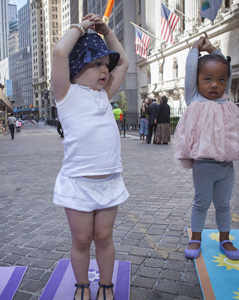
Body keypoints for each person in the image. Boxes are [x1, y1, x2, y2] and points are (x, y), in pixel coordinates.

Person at [52, 13, 129, 300]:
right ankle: (83, 285)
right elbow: (60, 52)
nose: (104, 70)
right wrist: (81, 27)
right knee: (82, 240)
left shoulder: (104, 95)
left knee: (104, 238)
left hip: (108, 182)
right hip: (78, 185)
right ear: (75, 69)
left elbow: (123, 61)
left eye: (104, 65)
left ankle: (106, 285)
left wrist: (107, 31)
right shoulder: (66, 94)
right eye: (95, 64)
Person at [173, 33, 239, 260]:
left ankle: (225, 239)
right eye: (208, 79)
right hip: (203, 166)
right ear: (197, 80)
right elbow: (191, 69)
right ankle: (196, 238)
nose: (215, 84)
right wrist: (195, 49)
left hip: (225, 167)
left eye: (220, 80)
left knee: (223, 205)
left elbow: (227, 68)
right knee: (201, 203)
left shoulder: (225, 99)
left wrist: (213, 48)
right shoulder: (194, 98)